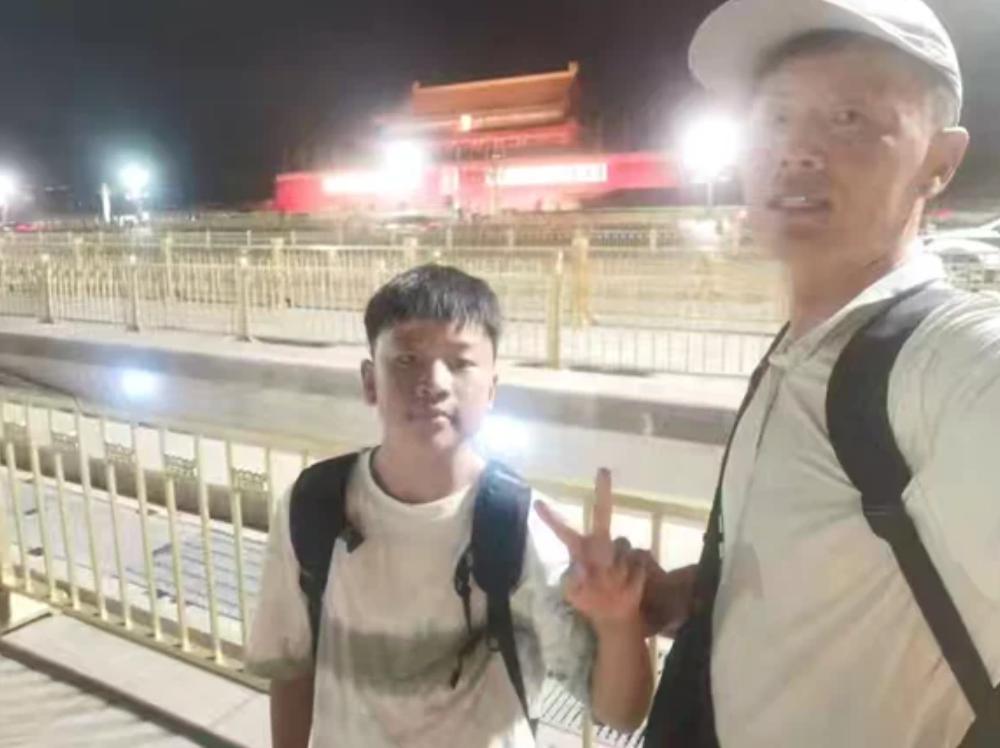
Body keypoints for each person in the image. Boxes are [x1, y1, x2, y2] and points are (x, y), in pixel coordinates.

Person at [542, 1, 1000, 746]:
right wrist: (679, 595)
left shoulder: (948, 364)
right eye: (774, 118)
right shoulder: (802, 351)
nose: (797, 150)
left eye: (849, 118)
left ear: (939, 163)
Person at [245, 264, 653, 748]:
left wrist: (618, 622)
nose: (434, 382)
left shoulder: (521, 525)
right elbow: (292, 669)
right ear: (370, 381)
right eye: (406, 359)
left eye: (459, 363)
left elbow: (621, 714)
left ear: (492, 388)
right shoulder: (314, 505)